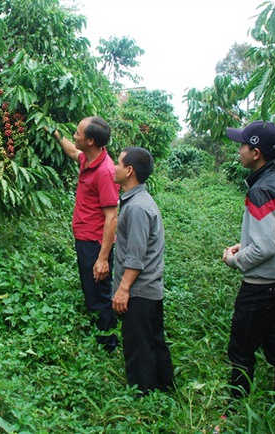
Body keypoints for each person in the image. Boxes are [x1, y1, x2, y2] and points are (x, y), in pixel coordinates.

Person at [222, 120, 275, 400]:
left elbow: (266, 247)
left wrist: (235, 260)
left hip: (260, 286)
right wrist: (245, 244)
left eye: (242, 145)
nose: (239, 150)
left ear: (256, 152)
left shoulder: (260, 190)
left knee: (241, 350)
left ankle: (235, 410)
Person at [52, 116, 120, 351]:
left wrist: (102, 258)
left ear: (90, 140)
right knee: (91, 290)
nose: (75, 135)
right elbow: (73, 152)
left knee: (99, 294)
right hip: (85, 238)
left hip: (95, 242)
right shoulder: (88, 159)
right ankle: (101, 335)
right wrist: (56, 134)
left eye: (78, 133)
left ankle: (108, 344)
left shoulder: (105, 172)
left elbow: (112, 217)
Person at [112, 147, 174, 395]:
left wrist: (123, 289)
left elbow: (136, 257)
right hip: (149, 289)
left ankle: (143, 396)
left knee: (139, 346)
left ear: (129, 171)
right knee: (153, 340)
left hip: (139, 291)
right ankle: (165, 387)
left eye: (118, 163)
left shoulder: (137, 207)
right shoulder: (138, 201)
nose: (114, 168)